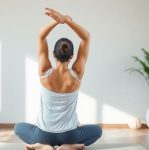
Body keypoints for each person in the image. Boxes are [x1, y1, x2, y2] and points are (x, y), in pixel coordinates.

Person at [14, 8, 102, 150]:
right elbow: (86, 37)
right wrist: (66, 20)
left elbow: (41, 37)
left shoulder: (44, 72)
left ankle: (43, 146)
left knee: (18, 127)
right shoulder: (77, 74)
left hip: (43, 134)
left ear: (53, 54)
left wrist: (56, 22)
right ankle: (69, 146)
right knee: (97, 131)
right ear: (72, 56)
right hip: (70, 135)